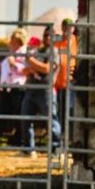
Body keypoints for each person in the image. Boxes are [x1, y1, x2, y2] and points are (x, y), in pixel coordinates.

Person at [19, 26, 62, 159]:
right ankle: (28, 149)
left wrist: (31, 61)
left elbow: (47, 68)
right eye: (45, 35)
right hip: (31, 89)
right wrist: (31, 66)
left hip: (45, 90)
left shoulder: (53, 52)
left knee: (51, 119)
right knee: (25, 118)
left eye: (50, 35)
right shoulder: (38, 50)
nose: (47, 38)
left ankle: (56, 149)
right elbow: (24, 70)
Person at [0, 28, 28, 146]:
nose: (11, 43)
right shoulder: (11, 54)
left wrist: (14, 64)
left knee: (17, 114)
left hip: (18, 87)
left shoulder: (25, 53)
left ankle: (18, 139)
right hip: (7, 87)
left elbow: (26, 70)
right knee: (4, 113)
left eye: (14, 41)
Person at [54, 18, 78, 129]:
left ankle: (68, 136)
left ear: (73, 29)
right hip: (57, 83)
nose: (67, 30)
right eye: (65, 27)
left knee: (70, 110)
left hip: (70, 82)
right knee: (58, 111)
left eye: (70, 27)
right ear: (62, 28)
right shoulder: (57, 41)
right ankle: (60, 137)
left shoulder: (76, 41)